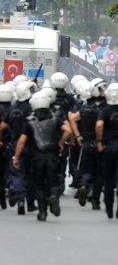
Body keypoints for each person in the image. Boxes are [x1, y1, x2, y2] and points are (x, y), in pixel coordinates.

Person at [13, 92, 71, 221]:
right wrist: (60, 143)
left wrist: (16, 157)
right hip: (53, 155)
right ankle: (54, 196)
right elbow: (68, 130)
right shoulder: (56, 119)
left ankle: (42, 211)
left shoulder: (29, 122)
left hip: (37, 157)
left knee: (39, 184)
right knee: (53, 181)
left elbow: (22, 141)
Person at [0, 80, 36, 214]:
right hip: (31, 145)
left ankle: (20, 199)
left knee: (17, 173)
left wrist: (13, 128)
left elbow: (3, 125)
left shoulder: (13, 108)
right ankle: (31, 203)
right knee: (30, 174)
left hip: (15, 144)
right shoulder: (32, 108)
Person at [69, 82, 103, 210]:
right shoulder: (102, 109)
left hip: (86, 143)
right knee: (99, 172)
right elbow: (101, 126)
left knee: (86, 170)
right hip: (100, 143)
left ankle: (83, 186)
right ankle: (95, 199)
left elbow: (72, 118)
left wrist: (78, 136)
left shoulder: (83, 108)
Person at [95, 83, 118, 219]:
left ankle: (109, 208)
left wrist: (99, 141)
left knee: (108, 179)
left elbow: (99, 125)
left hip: (109, 146)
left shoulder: (104, 110)